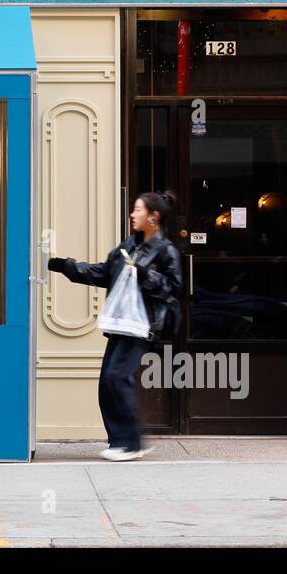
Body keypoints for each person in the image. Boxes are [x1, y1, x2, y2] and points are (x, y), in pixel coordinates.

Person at [48, 191, 183, 462]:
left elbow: (173, 287)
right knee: (107, 383)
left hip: (143, 325)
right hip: (121, 323)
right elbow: (103, 272)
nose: (133, 214)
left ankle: (130, 443)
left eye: (138, 210)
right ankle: (121, 441)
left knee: (117, 378)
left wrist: (145, 273)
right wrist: (66, 266)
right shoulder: (129, 245)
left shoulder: (165, 249)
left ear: (153, 217)